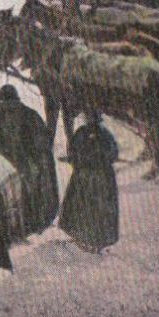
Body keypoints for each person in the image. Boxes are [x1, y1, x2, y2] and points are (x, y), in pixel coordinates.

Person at [0, 85, 59, 234]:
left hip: (23, 162)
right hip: (18, 162)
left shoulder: (16, 115)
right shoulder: (13, 114)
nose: (7, 108)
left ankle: (25, 224)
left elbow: (40, 142)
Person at [60, 108, 119, 252]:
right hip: (103, 178)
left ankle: (82, 238)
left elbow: (72, 153)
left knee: (81, 206)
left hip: (84, 176)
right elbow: (114, 154)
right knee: (98, 211)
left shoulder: (81, 133)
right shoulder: (106, 135)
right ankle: (96, 241)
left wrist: (80, 164)